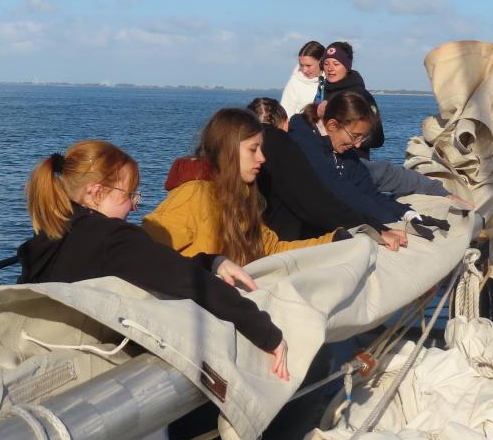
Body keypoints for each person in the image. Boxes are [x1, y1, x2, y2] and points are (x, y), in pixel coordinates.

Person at [17, 139, 289, 379]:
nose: (135, 206)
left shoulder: (46, 240)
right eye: (129, 195)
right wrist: (267, 334)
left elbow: (159, 267)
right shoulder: (111, 237)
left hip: (40, 360)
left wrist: (210, 262)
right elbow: (190, 283)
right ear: (95, 193)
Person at [142, 108, 343, 266]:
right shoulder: (192, 197)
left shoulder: (242, 199)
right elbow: (143, 252)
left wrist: (334, 241)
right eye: (253, 149)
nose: (262, 158)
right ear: (228, 151)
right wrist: (206, 267)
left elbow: (273, 250)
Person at [246, 97, 406, 250]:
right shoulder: (278, 140)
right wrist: (376, 229)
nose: (260, 157)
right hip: (275, 249)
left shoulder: (243, 144)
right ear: (286, 122)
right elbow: (314, 202)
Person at [288, 92, 449, 236]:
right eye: (355, 136)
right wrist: (388, 225)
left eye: (362, 138)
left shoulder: (346, 155)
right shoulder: (304, 145)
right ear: (332, 126)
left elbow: (370, 193)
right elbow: (340, 191)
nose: (358, 145)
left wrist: (407, 214)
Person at [320, 41, 384, 157]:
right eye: (326, 63)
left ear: (347, 67)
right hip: (327, 159)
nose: (330, 68)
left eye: (336, 64)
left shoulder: (361, 95)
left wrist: (349, 139)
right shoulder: (322, 92)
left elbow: (377, 138)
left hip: (354, 160)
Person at [280, 40, 326, 118]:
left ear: (321, 62)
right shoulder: (294, 83)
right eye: (301, 65)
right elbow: (285, 116)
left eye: (308, 65)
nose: (304, 70)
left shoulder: (331, 81)